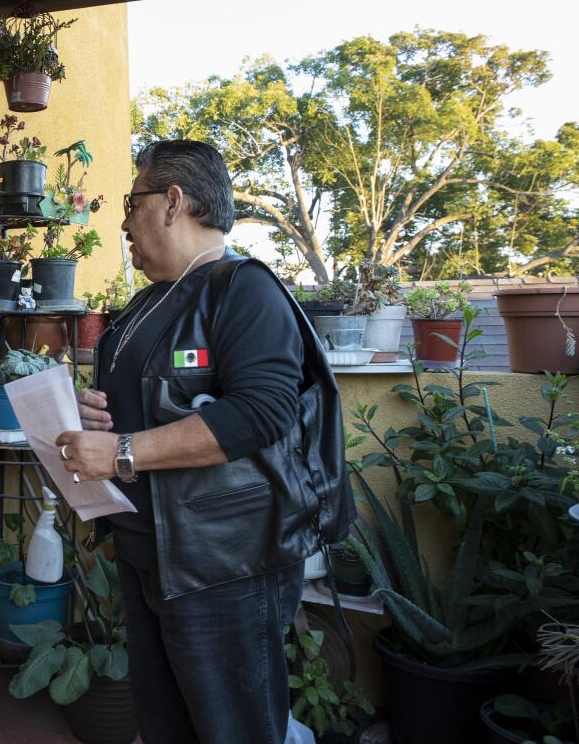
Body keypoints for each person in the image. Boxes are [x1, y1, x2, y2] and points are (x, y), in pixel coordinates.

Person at [55, 140, 352, 743]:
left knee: (232, 730)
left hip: (224, 564)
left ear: (172, 202)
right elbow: (147, 411)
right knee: (167, 725)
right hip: (150, 554)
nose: (123, 223)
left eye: (131, 203)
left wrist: (121, 453)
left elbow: (261, 411)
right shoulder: (148, 302)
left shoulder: (243, 289)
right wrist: (98, 420)